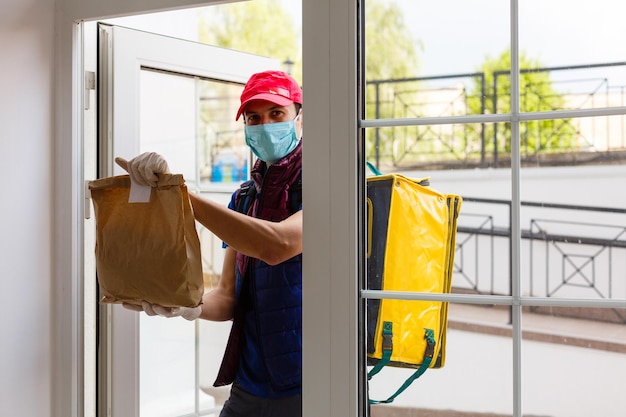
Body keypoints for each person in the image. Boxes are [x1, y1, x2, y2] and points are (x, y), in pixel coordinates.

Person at [116, 70, 304, 417]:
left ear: (298, 114)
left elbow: (277, 246)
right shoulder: (246, 197)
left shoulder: (324, 181)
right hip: (249, 384)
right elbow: (229, 297)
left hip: (310, 384)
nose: (264, 125)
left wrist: (177, 193)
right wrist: (189, 305)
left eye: (276, 114)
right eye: (254, 118)